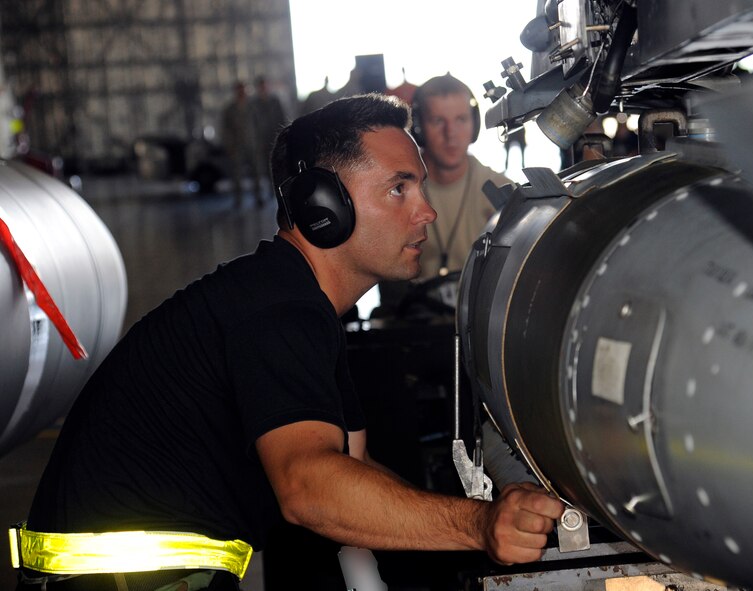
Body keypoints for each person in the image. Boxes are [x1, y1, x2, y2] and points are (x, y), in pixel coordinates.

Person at [11, 93, 564, 591]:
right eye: (399, 187)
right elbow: (310, 488)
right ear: (322, 205)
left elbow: (352, 463)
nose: (427, 211)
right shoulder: (278, 310)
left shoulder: (300, 304)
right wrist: (478, 526)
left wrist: (485, 515)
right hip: (116, 580)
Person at [411, 74, 513, 280]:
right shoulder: (398, 192)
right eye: (438, 121)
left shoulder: (501, 192)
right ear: (418, 128)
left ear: (474, 125)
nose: (451, 134)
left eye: (461, 119)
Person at [220, 80, 263, 208]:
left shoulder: (252, 107)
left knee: (256, 173)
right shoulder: (230, 109)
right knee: (237, 175)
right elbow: (225, 129)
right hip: (237, 146)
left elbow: (258, 126)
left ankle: (258, 197)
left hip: (252, 144)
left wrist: (259, 142)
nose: (242, 92)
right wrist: (229, 145)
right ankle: (238, 200)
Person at [251, 75, 287, 202]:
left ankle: (277, 192)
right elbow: (253, 123)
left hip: (274, 139)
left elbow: (282, 118)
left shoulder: (274, 101)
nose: (263, 88)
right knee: (260, 169)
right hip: (260, 141)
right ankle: (261, 195)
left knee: (276, 167)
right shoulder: (254, 104)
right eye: (261, 86)